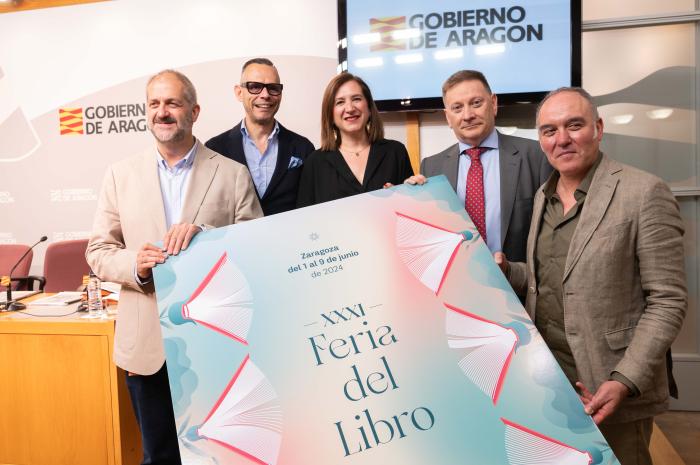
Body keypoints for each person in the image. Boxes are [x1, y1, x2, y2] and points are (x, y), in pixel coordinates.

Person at [497, 87, 686, 465]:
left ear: (598, 128)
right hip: (548, 379)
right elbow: (545, 278)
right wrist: (506, 271)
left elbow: (667, 300)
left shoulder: (644, 192)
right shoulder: (542, 196)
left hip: (607, 382)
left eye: (574, 125)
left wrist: (624, 379)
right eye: (549, 130)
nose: (562, 139)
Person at [86, 70, 262, 465]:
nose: (162, 112)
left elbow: (255, 247)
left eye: (173, 103)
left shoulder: (232, 174)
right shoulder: (120, 175)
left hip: (215, 341)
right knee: (158, 457)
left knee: (224, 457)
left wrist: (206, 236)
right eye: (154, 104)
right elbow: (99, 250)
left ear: (194, 111)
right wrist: (137, 264)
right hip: (146, 346)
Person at [408, 70, 551, 263]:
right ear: (448, 117)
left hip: (519, 287)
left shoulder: (536, 155)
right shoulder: (431, 167)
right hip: (458, 285)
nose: (467, 115)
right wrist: (406, 201)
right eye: (457, 108)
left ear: (493, 104)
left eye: (476, 103)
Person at [206, 58, 314, 215]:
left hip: (288, 237)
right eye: (255, 87)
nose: (265, 95)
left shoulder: (303, 147)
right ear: (239, 92)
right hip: (237, 239)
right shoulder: (214, 149)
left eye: (273, 88)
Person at [296, 73, 414, 207]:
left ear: (369, 108)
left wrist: (414, 195)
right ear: (330, 114)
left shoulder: (395, 152)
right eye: (340, 102)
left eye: (356, 99)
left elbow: (409, 211)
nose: (350, 108)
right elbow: (306, 221)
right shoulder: (315, 162)